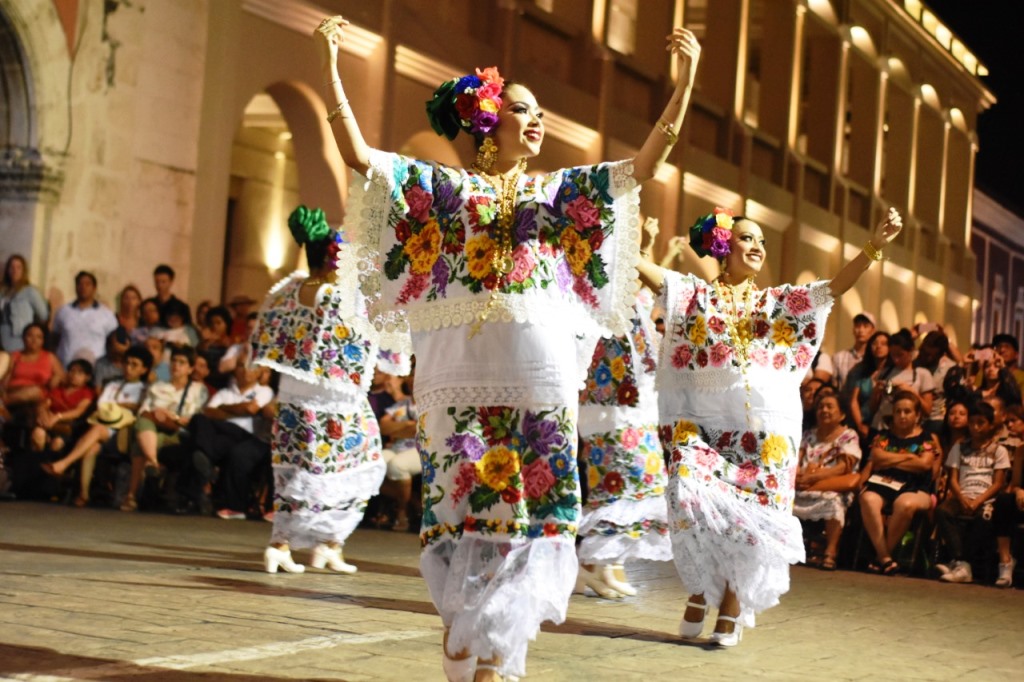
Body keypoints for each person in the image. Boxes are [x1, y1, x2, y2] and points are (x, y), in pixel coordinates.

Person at [315, 13, 701, 679]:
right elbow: (358, 156)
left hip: (541, 382)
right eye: (523, 109)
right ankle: (472, 639)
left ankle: (496, 658)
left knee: (532, 523)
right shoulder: (444, 192)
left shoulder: (560, 195)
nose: (538, 120)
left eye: (540, 111)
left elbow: (641, 167)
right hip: (460, 383)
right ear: (487, 121)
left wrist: (686, 82)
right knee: (464, 518)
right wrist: (328, 66)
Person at [636, 205, 902, 647]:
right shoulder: (695, 296)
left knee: (753, 523)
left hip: (766, 432)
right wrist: (622, 220)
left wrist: (875, 244)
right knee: (688, 487)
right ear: (724, 247)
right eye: (746, 238)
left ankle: (733, 603)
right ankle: (702, 587)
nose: (757, 246)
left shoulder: (777, 302)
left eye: (761, 239)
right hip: (706, 428)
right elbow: (648, 271)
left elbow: (832, 289)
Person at [251, 205, 395, 576]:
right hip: (336, 398)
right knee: (362, 464)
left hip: (294, 394)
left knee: (298, 473)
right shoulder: (340, 297)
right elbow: (380, 331)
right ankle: (316, 544)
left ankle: (302, 545)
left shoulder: (289, 289)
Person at [576, 286, 670, 599]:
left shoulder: (638, 296)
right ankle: (591, 563)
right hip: (607, 403)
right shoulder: (598, 287)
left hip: (638, 402)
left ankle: (608, 563)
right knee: (617, 479)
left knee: (638, 480)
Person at [41, 345, 152, 506]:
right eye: (127, 363)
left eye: (134, 365)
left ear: (144, 369)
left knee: (97, 430)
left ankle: (64, 463)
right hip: (105, 426)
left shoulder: (145, 389)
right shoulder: (113, 384)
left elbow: (141, 409)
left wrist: (120, 405)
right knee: (91, 447)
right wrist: (124, 404)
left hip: (124, 434)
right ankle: (84, 493)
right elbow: (102, 404)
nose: (128, 368)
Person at [857, 391, 938, 576]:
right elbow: (877, 459)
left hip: (916, 488)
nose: (902, 416)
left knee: (904, 504)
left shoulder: (926, 438)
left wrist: (891, 459)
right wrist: (909, 456)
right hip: (884, 484)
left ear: (917, 416)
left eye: (907, 411)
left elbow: (924, 464)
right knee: (868, 499)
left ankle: (880, 558)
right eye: (898, 411)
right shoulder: (884, 436)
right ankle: (885, 558)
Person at [120, 345, 208, 512]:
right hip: (154, 432)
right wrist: (156, 413)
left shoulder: (198, 390)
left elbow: (195, 419)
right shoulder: (157, 387)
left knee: (141, 441)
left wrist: (169, 416)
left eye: (182, 362)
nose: (176, 365)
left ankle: (132, 494)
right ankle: (153, 462)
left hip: (179, 434)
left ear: (190, 368)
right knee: (143, 424)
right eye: (174, 361)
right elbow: (143, 412)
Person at [183, 361, 275, 519]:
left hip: (244, 434)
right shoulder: (225, 392)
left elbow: (251, 408)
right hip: (220, 434)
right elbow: (208, 412)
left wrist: (224, 408)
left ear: (259, 373)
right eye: (243, 367)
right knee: (198, 420)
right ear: (235, 371)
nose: (246, 371)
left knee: (201, 448)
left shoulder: (264, 390)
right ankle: (206, 463)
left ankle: (207, 465)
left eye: (252, 368)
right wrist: (238, 410)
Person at [935, 401, 1010, 584]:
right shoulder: (959, 448)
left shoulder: (999, 451)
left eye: (981, 423)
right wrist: (962, 498)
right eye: (972, 422)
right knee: (942, 512)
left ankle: (961, 563)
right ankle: (961, 563)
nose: (976, 427)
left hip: (985, 498)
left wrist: (978, 501)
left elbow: (998, 483)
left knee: (984, 519)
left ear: (991, 425)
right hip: (962, 494)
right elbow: (953, 479)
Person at [793, 392, 862, 571]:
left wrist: (812, 478)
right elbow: (796, 458)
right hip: (803, 484)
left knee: (833, 500)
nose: (824, 410)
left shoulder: (849, 435)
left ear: (842, 414)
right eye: (821, 407)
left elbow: (843, 468)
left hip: (830, 485)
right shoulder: (808, 434)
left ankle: (830, 552)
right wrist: (798, 475)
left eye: (830, 406)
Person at [869, 329, 934, 432]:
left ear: (911, 351)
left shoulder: (922, 374)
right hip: (880, 427)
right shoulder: (885, 372)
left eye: (900, 355)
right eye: (892, 355)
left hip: (906, 430)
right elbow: (872, 408)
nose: (896, 360)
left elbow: (927, 410)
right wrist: (877, 391)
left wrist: (911, 392)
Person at [50, 271, 118, 367]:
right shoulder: (63, 311)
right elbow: (54, 339)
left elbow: (113, 344)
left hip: (95, 370)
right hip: (66, 368)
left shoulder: (107, 314)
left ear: (94, 288)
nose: (83, 287)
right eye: (79, 284)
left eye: (87, 284)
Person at [30, 358, 95, 454]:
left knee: (57, 443)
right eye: (72, 371)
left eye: (79, 373)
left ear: (87, 377)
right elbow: (46, 404)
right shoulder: (59, 389)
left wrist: (57, 417)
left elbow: (78, 412)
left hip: (69, 427)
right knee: (38, 433)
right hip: (49, 423)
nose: (74, 375)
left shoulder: (87, 393)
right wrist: (42, 413)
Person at [0, 254, 49, 352]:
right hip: (3, 337)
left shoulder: (30, 291)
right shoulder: (2, 292)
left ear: (23, 270)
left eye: (18, 267)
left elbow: (43, 315)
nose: (15, 270)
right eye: (12, 267)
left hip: (20, 338)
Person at [848, 330, 890, 442]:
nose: (878, 346)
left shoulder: (893, 371)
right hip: (863, 420)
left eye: (884, 343)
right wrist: (860, 425)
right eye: (875, 343)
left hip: (885, 423)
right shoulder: (863, 371)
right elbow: (853, 401)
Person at [833, 312, 875, 393]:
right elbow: (834, 384)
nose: (861, 330)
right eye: (858, 326)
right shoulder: (839, 357)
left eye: (865, 326)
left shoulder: (875, 358)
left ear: (873, 331)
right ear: (853, 329)